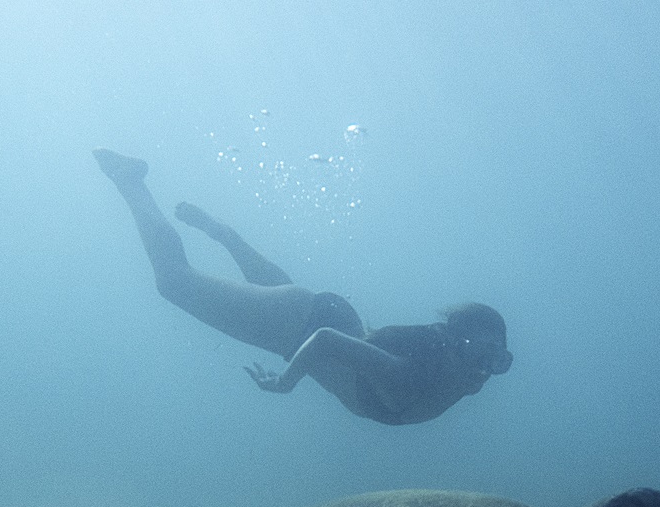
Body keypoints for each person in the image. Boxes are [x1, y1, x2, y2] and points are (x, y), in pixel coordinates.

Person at [93, 148, 512, 425]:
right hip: (305, 325)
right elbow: (325, 341)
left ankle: (225, 235)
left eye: (499, 361)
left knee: (270, 294)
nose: (486, 372)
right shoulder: (412, 378)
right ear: (454, 346)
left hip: (316, 315)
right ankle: (130, 180)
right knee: (173, 282)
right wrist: (286, 383)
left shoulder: (439, 383)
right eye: (484, 354)